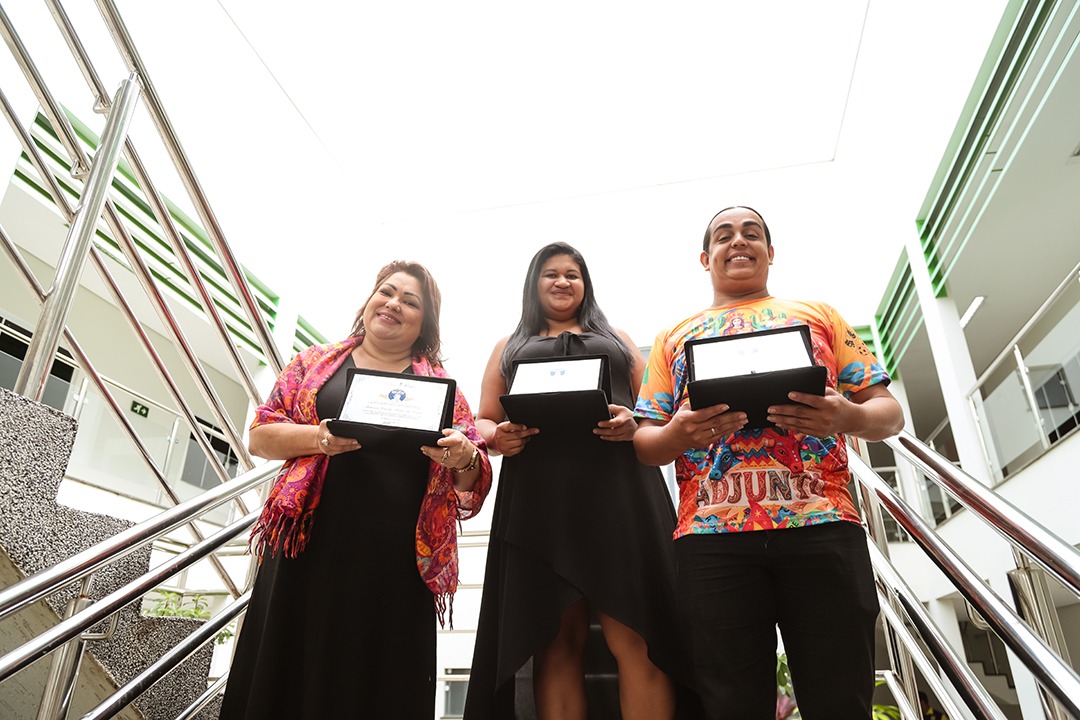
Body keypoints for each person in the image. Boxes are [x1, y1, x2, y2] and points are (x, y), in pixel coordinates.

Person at [634, 206, 905, 720]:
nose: (738, 241)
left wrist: (844, 415)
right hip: (712, 541)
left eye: (751, 233)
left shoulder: (819, 315)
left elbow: (889, 413)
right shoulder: (674, 335)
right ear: (705, 256)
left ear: (770, 252)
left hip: (823, 525)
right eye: (723, 235)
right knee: (730, 703)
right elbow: (646, 444)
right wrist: (675, 433)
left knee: (840, 698)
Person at [219, 260, 493, 719]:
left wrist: (461, 454)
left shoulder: (442, 387)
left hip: (396, 560)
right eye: (386, 292)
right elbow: (260, 435)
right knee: (285, 672)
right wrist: (320, 439)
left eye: (410, 301)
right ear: (368, 301)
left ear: (424, 323)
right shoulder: (313, 363)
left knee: (377, 682)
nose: (393, 304)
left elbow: (475, 476)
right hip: (304, 546)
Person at [464, 242, 689, 720]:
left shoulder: (619, 336)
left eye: (573, 274)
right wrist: (499, 436)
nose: (562, 282)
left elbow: (657, 407)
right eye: (551, 273)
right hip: (539, 503)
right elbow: (481, 421)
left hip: (620, 495)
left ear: (586, 284)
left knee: (636, 634)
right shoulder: (507, 347)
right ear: (534, 284)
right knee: (554, 641)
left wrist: (634, 420)